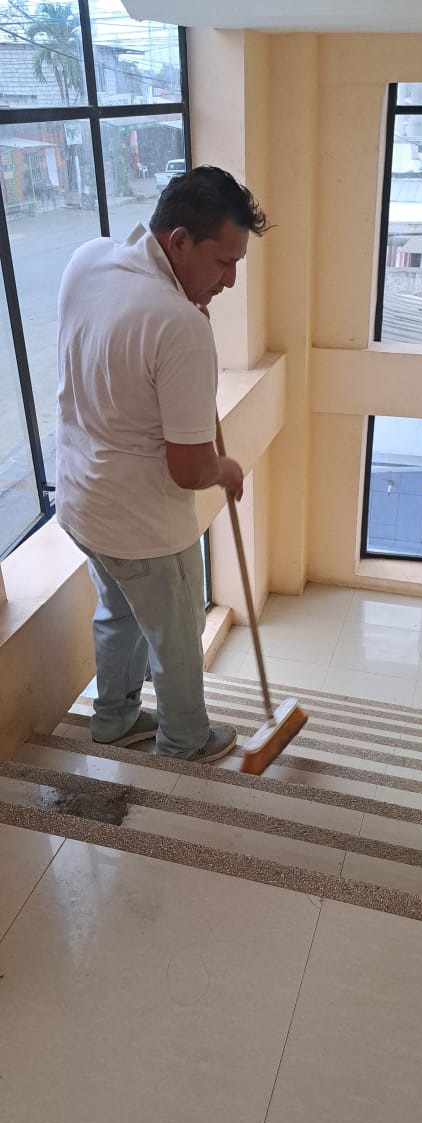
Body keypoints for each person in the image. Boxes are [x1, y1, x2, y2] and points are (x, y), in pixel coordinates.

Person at [55, 165, 268, 762]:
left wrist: (187, 307)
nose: (229, 280)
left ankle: (113, 718)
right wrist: (226, 469)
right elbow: (189, 470)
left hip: (81, 503)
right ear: (178, 241)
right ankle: (185, 740)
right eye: (222, 262)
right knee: (176, 635)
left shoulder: (88, 260)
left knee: (118, 611)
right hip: (142, 524)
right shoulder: (180, 327)